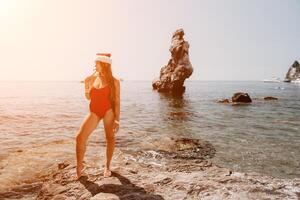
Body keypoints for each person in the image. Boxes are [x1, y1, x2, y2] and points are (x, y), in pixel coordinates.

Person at [76, 53, 120, 179]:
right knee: (80, 138)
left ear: (104, 64)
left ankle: (107, 166)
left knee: (110, 137)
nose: (94, 65)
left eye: (97, 63)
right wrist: (86, 84)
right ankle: (79, 166)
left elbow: (117, 102)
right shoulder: (93, 78)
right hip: (94, 111)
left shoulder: (114, 81)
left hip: (108, 111)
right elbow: (88, 97)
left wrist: (117, 120)